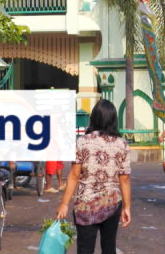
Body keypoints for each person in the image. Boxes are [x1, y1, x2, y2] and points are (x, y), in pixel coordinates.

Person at [56, 99, 132, 254]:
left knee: (84, 249)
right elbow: (124, 179)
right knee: (109, 248)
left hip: (86, 204)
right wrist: (127, 207)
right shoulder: (122, 144)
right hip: (111, 203)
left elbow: (74, 175)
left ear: (94, 118)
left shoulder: (82, 142)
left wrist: (64, 204)